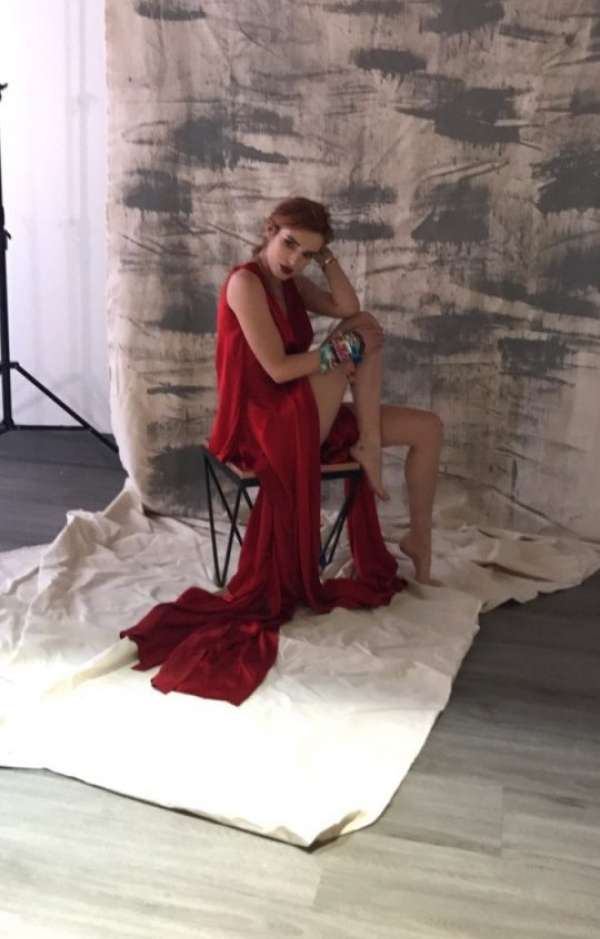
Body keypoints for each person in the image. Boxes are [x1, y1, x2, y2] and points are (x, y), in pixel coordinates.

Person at [122, 196, 443, 705]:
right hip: (262, 422)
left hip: (302, 408)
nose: (294, 259)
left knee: (426, 424)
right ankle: (368, 445)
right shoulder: (245, 283)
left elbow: (347, 307)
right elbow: (275, 370)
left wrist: (327, 258)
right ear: (269, 230)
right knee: (354, 341)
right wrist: (340, 353)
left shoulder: (290, 281)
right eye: (289, 244)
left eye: (306, 253)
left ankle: (418, 537)